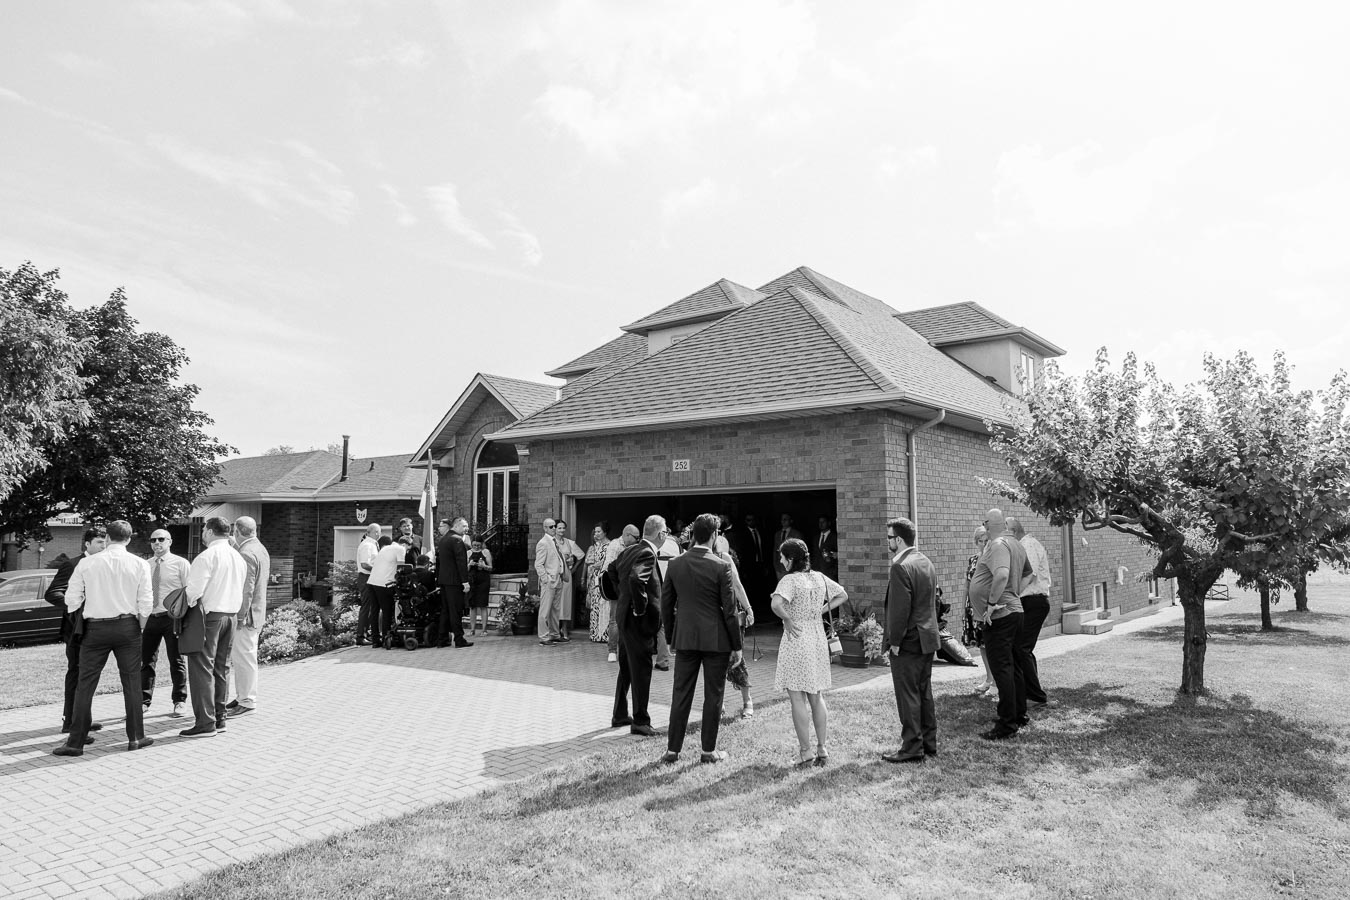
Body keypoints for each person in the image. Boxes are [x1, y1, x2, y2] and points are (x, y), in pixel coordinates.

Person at [52, 520, 153, 756]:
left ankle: (75, 742)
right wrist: (139, 626)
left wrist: (84, 610)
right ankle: (136, 737)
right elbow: (146, 601)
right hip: (128, 625)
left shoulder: (88, 563)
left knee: (85, 684)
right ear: (129, 539)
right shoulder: (139, 563)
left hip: (95, 627)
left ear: (107, 537)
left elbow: (71, 599)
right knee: (132, 682)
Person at [660, 514, 742, 764]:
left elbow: (666, 605)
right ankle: (708, 750)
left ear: (694, 534)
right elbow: (729, 610)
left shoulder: (675, 564)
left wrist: (672, 637)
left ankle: (672, 749)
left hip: (685, 637)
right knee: (713, 695)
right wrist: (736, 645)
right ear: (715, 535)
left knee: (681, 693)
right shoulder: (721, 566)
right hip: (716, 639)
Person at [771, 537, 848, 767]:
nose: (781, 561)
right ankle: (822, 748)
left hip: (797, 638)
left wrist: (787, 618)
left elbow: (775, 604)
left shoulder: (789, 580)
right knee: (816, 695)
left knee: (797, 697)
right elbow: (842, 595)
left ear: (790, 559)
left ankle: (805, 751)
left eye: (782, 557)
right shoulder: (819, 577)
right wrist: (820, 611)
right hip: (817, 638)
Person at [880, 517, 940, 763]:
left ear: (899, 539)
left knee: (907, 695)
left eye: (889, 538)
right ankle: (928, 743)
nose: (888, 542)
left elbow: (899, 610)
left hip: (909, 639)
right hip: (927, 636)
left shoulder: (900, 566)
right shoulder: (925, 561)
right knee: (924, 692)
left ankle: (912, 747)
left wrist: (894, 642)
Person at [180, 516, 246, 738]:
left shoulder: (206, 556)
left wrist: (184, 604)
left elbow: (193, 592)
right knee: (221, 667)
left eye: (204, 531)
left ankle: (205, 723)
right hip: (231, 615)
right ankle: (220, 718)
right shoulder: (238, 557)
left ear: (209, 531)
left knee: (201, 668)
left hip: (209, 617)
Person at [969, 509, 1031, 741]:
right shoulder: (1016, 544)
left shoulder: (997, 544)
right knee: (1014, 666)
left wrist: (993, 603)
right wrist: (1014, 594)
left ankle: (1007, 724)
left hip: (1000, 616)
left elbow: (1002, 574)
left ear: (988, 524)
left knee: (1001, 668)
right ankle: (1019, 715)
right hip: (1014, 612)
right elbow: (1029, 574)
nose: (983, 527)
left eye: (984, 523)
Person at [44, 525, 107, 738]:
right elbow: (53, 593)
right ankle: (70, 722)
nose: (104, 546)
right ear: (87, 544)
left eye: (105, 542)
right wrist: (78, 608)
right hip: (76, 630)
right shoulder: (72, 564)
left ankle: (82, 718)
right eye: (99, 542)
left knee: (88, 675)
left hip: (97, 629)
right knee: (77, 673)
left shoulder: (103, 564)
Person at [609, 515, 666, 736]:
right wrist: (640, 608)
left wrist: (622, 594)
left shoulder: (629, 550)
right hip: (638, 621)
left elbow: (611, 570)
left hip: (624, 619)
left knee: (626, 667)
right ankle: (640, 720)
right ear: (660, 534)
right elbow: (636, 579)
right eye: (665, 532)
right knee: (641, 670)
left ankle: (620, 714)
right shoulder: (646, 553)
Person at [141, 528, 189, 718]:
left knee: (176, 660)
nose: (157, 543)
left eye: (161, 539)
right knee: (146, 661)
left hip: (172, 619)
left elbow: (189, 591)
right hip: (150, 617)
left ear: (170, 541)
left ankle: (179, 701)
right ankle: (143, 701)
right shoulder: (145, 565)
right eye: (153, 540)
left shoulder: (180, 564)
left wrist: (184, 616)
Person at [225, 517, 269, 717]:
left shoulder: (246, 553)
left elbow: (247, 589)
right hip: (257, 612)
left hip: (248, 616)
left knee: (243, 659)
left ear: (236, 531)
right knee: (244, 657)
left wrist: (240, 617)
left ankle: (247, 701)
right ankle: (243, 695)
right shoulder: (259, 548)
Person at [1008, 516, 1053, 708]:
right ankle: (1028, 692)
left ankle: (1036, 696)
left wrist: (1012, 594)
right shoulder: (1022, 546)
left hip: (1034, 602)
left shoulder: (1028, 544)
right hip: (1027, 602)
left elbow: (1030, 574)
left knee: (1021, 648)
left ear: (1013, 532)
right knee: (1022, 648)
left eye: (1006, 532)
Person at [964, 527, 996, 698]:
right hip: (972, 608)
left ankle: (996, 682)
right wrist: (963, 607)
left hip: (987, 607)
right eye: (980, 541)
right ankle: (989, 678)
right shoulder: (973, 559)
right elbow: (967, 585)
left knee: (991, 645)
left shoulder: (993, 558)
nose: (983, 544)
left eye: (986, 540)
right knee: (982, 644)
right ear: (976, 542)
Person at [602, 524, 639, 662]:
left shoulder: (633, 546)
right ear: (627, 535)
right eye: (636, 537)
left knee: (629, 619)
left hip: (629, 588)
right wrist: (617, 589)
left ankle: (627, 649)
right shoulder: (615, 545)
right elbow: (609, 569)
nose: (638, 540)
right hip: (617, 588)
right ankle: (612, 650)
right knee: (615, 620)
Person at [435, 516, 473, 648]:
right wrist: (465, 582)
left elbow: (440, 562)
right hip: (454, 581)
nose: (466, 528)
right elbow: (461, 563)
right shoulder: (457, 540)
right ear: (456, 526)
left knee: (445, 610)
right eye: (464, 526)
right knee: (455, 610)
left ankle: (442, 639)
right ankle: (459, 639)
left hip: (444, 580)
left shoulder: (443, 539)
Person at [368, 536, 403, 647]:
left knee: (374, 611)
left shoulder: (384, 549)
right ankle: (386, 638)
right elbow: (401, 568)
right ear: (405, 544)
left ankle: (375, 640)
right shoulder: (400, 549)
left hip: (372, 582)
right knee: (386, 611)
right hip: (384, 583)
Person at [553, 519, 584, 642]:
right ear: (554, 529)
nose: (562, 530)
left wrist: (573, 570)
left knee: (565, 602)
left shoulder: (570, 543)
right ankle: (554, 629)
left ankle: (564, 628)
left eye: (563, 528)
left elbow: (581, 556)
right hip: (553, 576)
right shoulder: (550, 542)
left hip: (566, 576)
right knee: (554, 601)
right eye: (559, 528)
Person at [354, 523, 381, 646]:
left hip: (370, 577)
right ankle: (361, 636)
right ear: (374, 532)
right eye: (378, 532)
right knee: (367, 607)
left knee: (371, 607)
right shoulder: (367, 545)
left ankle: (367, 633)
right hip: (366, 577)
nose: (379, 534)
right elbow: (365, 564)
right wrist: (379, 569)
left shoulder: (372, 544)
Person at [586, 523, 611, 643]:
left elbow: (608, 561)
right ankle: (595, 634)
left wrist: (596, 565)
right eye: (595, 531)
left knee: (604, 605)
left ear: (605, 532)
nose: (596, 534)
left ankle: (605, 635)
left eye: (599, 531)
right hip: (594, 579)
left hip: (604, 578)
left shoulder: (610, 546)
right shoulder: (596, 546)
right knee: (595, 605)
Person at [466, 535, 493, 636]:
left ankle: (484, 629)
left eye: (478, 545)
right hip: (472, 581)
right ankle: (472, 629)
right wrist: (469, 565)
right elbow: (464, 569)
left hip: (483, 581)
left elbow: (491, 568)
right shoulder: (468, 553)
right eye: (474, 545)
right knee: (472, 606)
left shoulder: (486, 552)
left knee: (483, 605)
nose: (476, 547)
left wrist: (484, 566)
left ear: (482, 544)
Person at [772, 514, 805, 583]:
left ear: (791, 521)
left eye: (785, 519)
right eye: (782, 519)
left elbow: (800, 552)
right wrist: (775, 566)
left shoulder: (796, 534)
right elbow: (775, 551)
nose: (783, 521)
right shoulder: (777, 534)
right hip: (779, 568)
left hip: (791, 568)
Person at [813, 516, 839, 581]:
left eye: (823, 522)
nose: (821, 524)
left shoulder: (834, 537)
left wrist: (834, 571)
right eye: (819, 522)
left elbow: (838, 553)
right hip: (817, 572)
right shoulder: (816, 538)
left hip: (830, 572)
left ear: (828, 523)